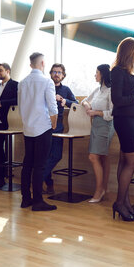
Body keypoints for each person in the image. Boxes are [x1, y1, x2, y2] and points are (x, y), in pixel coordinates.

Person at [110, 37, 134, 221]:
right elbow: (117, 100)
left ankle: (125, 203)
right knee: (132, 161)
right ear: (130, 52)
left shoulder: (129, 72)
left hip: (132, 118)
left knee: (125, 160)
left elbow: (133, 96)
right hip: (124, 119)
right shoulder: (117, 71)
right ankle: (119, 203)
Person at [18, 52, 59, 211]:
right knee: (40, 165)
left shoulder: (22, 83)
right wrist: (53, 124)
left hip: (28, 128)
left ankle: (25, 199)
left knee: (27, 164)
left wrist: (26, 122)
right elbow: (52, 106)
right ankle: (38, 201)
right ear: (42, 63)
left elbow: (21, 107)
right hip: (43, 127)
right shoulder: (47, 81)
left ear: (30, 64)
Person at [42, 63, 78, 195]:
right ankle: (47, 183)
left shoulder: (66, 89)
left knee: (56, 156)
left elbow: (76, 104)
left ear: (63, 75)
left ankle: (38, 180)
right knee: (45, 156)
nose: (56, 74)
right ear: (50, 74)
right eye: (54, 72)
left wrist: (64, 100)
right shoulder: (44, 87)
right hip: (44, 125)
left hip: (58, 125)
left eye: (59, 72)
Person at [81, 64, 114, 203]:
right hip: (96, 125)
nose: (95, 75)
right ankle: (104, 188)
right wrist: (88, 106)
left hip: (106, 125)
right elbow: (84, 101)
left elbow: (112, 113)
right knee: (102, 157)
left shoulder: (111, 91)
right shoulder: (98, 89)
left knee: (93, 157)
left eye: (97, 73)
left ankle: (99, 190)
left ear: (103, 74)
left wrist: (95, 112)